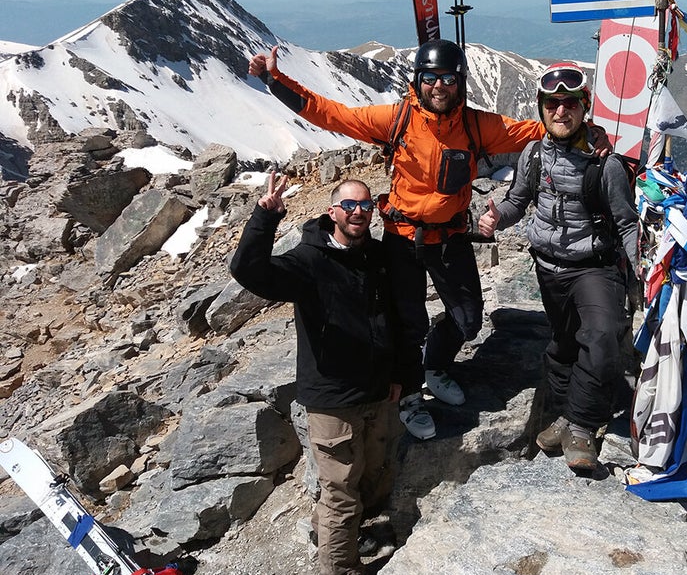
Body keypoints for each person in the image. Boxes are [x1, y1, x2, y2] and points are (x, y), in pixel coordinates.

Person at [247, 39, 555, 441]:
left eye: (447, 78)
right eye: (430, 78)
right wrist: (276, 81)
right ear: (418, 80)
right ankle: (410, 394)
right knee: (408, 324)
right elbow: (331, 114)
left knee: (468, 320)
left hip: (449, 238)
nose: (438, 86)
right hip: (401, 238)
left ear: (460, 82)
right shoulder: (396, 119)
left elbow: (542, 129)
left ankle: (436, 366)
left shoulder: (479, 127)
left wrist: (591, 130)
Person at [229, 175, 403, 575]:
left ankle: (338, 532)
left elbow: (393, 320)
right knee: (341, 491)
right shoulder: (309, 260)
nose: (357, 212)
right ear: (332, 212)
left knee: (371, 476)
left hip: (376, 390)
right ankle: (340, 569)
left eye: (364, 206)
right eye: (348, 205)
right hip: (332, 398)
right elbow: (249, 271)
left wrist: (399, 374)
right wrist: (264, 219)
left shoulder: (376, 256)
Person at [478, 62, 639, 471]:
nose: (560, 111)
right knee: (565, 344)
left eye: (570, 104)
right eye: (552, 104)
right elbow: (519, 199)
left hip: (593, 266)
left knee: (602, 337)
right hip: (547, 266)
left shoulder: (607, 164)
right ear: (542, 108)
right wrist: (498, 216)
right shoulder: (533, 153)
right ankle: (567, 414)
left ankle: (582, 424)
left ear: (584, 108)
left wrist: (639, 275)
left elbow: (625, 221)